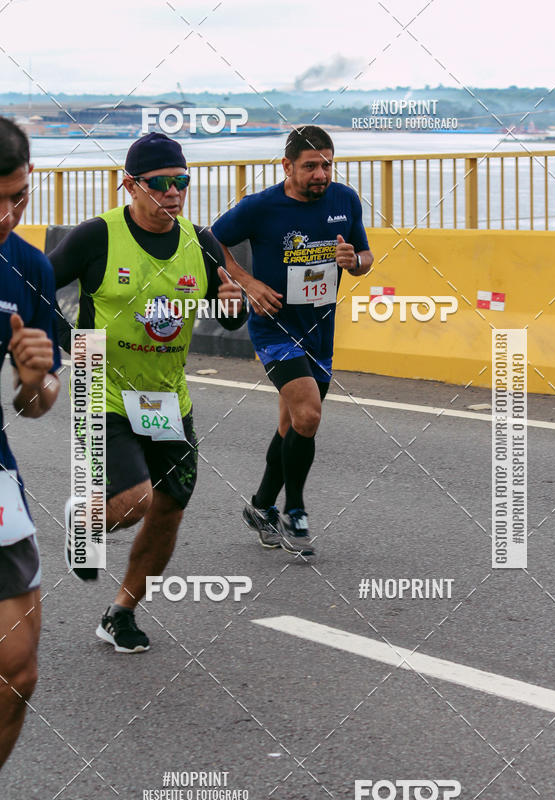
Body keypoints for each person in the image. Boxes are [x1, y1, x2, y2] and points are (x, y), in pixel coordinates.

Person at [50, 132, 246, 653]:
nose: (174, 192)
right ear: (130, 186)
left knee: (169, 507)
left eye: (182, 181)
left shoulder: (198, 242)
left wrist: (233, 303)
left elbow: (230, 319)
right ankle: (85, 518)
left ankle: (120, 612)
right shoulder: (97, 236)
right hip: (104, 388)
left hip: (163, 398)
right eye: (160, 183)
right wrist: (67, 339)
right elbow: (36, 282)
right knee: (134, 500)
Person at [211, 125, 373, 557]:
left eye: (326, 164)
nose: (321, 174)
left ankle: (261, 506)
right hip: (276, 326)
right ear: (287, 166)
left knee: (291, 426)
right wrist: (247, 283)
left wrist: (353, 260)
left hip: (320, 328)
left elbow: (366, 259)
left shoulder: (345, 200)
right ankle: (294, 509)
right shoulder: (261, 207)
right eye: (310, 166)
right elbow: (211, 241)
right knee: (308, 414)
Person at [0, 118, 61, 768]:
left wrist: (34, 379)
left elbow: (36, 406)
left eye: (17, 196)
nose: (5, 214)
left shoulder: (29, 267)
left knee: (17, 671)